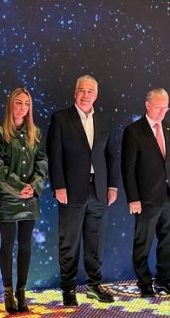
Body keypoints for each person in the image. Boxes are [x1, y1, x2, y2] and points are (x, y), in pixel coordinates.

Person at [47, 75, 120, 305]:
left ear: (96, 95)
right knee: (69, 241)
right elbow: (54, 155)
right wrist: (58, 186)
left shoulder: (104, 120)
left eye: (90, 91)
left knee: (95, 241)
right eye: (82, 90)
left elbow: (111, 155)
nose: (85, 95)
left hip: (99, 189)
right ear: (75, 92)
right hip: (70, 190)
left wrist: (112, 186)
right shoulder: (60, 118)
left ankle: (94, 286)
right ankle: (68, 288)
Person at [122, 88, 170, 297]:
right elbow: (128, 169)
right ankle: (144, 283)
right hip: (146, 198)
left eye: (165, 107)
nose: (162, 112)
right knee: (143, 243)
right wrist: (133, 198)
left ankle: (163, 281)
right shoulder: (133, 131)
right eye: (158, 107)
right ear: (147, 105)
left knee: (169, 242)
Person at [0, 88, 48, 313]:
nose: (23, 107)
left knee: (25, 245)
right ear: (10, 105)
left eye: (26, 103)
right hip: (7, 197)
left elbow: (42, 161)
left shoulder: (36, 132)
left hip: (29, 197)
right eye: (18, 102)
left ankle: (21, 291)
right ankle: (7, 291)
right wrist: (18, 187)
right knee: (7, 244)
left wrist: (33, 186)